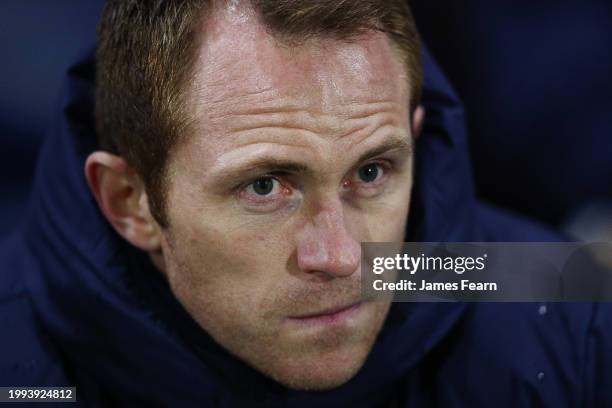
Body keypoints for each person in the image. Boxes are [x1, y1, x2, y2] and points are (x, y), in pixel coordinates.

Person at [1, 1, 611, 406]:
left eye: (371, 172)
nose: (344, 257)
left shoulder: (563, 306)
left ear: (415, 138)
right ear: (129, 202)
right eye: (265, 187)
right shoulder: (16, 366)